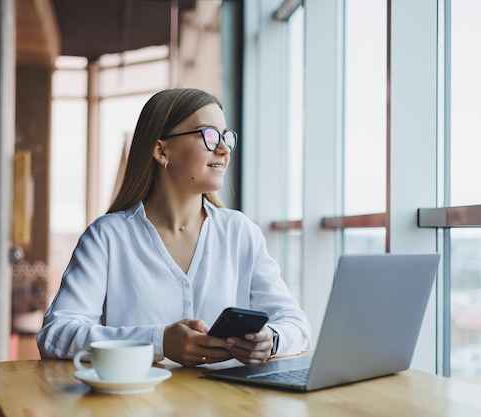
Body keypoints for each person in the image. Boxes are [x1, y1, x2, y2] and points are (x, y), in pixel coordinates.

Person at [37, 88, 311, 366]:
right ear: (160, 150)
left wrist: (271, 339)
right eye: (209, 135)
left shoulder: (241, 232)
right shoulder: (107, 236)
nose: (224, 149)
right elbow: (56, 335)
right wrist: (160, 342)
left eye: (226, 137)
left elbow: (297, 325)